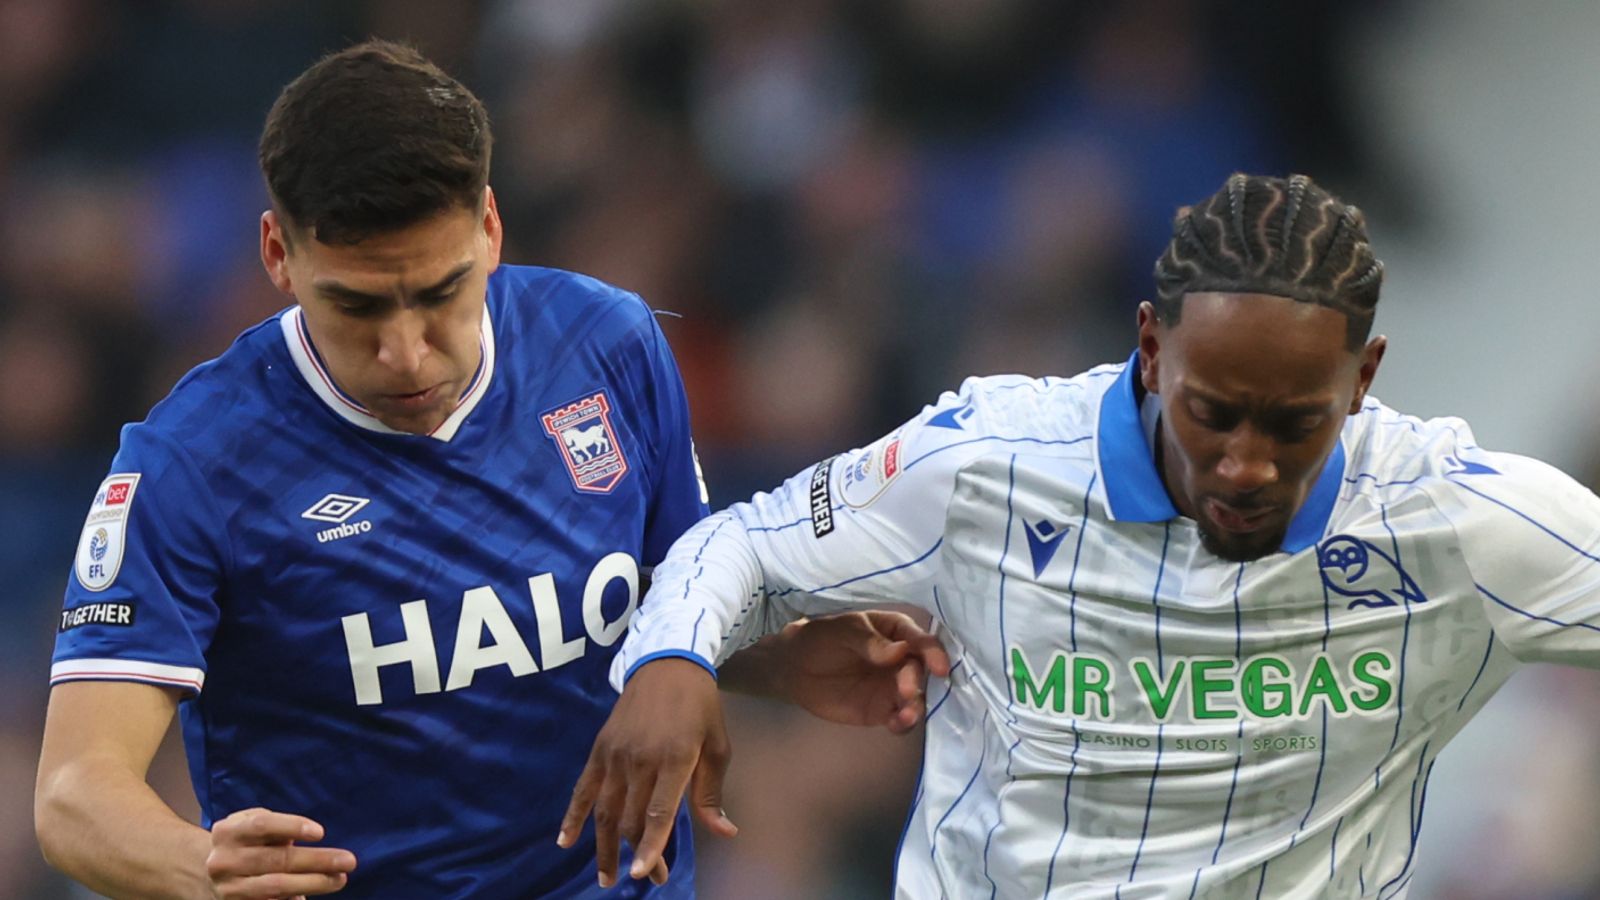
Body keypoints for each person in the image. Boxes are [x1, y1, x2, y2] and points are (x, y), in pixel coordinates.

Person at [34, 40, 948, 899]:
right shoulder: (193, 462)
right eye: (356, 309)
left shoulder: (606, 346)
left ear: (491, 228)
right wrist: (203, 869)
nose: (407, 354)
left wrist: (780, 656)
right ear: (280, 254)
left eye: (440, 295)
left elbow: (665, 596)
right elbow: (75, 791)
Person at [566, 172, 1600, 897]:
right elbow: (743, 545)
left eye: (1294, 425)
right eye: (1213, 413)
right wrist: (673, 656)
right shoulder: (987, 464)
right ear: (1150, 349)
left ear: (1362, 379)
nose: (1246, 464)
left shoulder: (1456, 522)